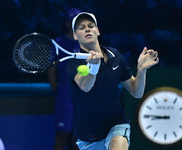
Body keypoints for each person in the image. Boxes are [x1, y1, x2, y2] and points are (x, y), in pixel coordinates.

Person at [66, 12, 159, 150]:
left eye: (91, 26)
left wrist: (141, 70)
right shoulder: (73, 63)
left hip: (116, 124)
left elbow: (136, 91)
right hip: (88, 135)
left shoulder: (116, 56)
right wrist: (94, 67)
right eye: (81, 27)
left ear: (97, 31)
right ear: (75, 35)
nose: (87, 29)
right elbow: (85, 86)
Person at [47, 8, 81, 150]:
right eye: (73, 22)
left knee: (79, 138)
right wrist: (57, 91)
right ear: (67, 24)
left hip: (83, 97)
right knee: (62, 136)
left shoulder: (88, 43)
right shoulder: (58, 42)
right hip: (65, 96)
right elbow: (51, 70)